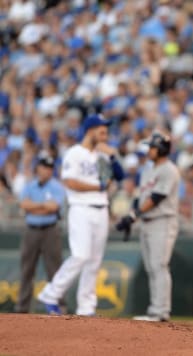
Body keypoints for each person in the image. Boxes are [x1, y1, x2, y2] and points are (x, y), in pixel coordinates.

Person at [37, 114, 124, 316]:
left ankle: (86, 307)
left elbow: (119, 176)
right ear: (90, 130)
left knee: (94, 260)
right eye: (101, 130)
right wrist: (98, 186)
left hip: (101, 209)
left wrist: (111, 156)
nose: (105, 134)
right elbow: (70, 182)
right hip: (80, 209)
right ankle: (51, 293)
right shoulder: (74, 153)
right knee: (80, 255)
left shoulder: (102, 155)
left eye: (106, 130)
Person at [116, 132, 180, 322]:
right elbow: (140, 197)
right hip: (147, 222)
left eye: (152, 147)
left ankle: (161, 311)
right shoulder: (147, 169)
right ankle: (155, 310)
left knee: (159, 265)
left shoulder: (169, 169)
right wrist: (131, 216)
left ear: (161, 149)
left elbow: (156, 198)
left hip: (163, 220)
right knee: (152, 267)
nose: (149, 150)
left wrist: (135, 214)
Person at [15, 151, 66, 313]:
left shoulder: (57, 186)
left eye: (50, 167)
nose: (48, 170)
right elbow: (24, 205)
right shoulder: (29, 185)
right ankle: (22, 308)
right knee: (27, 270)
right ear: (38, 168)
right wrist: (43, 206)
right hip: (31, 231)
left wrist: (34, 206)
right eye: (45, 167)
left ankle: (59, 307)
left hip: (50, 230)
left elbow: (54, 208)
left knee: (55, 271)